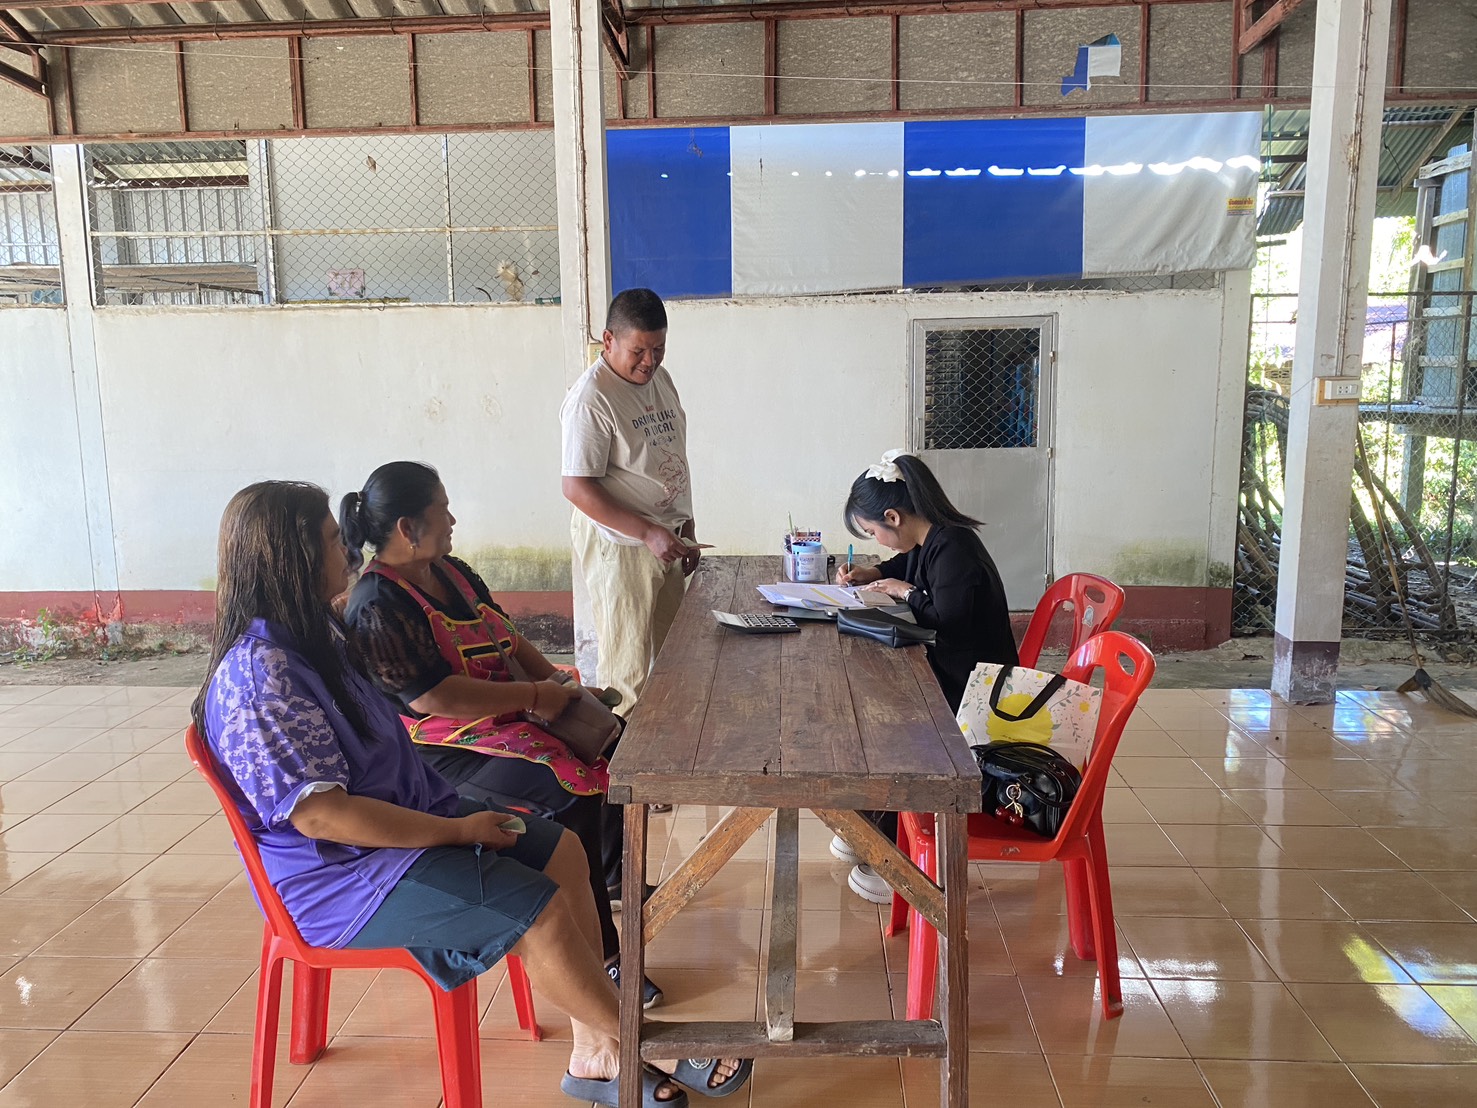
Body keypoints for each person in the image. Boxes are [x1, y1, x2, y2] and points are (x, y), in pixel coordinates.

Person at [192, 480, 751, 1106]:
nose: (344, 550)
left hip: (406, 820)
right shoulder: (261, 676)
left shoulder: (317, 632)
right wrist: (458, 831)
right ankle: (646, 1042)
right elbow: (323, 817)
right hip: (348, 876)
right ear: (291, 560)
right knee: (537, 909)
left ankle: (597, 1053)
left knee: (562, 849)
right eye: (328, 540)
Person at [339, 461, 659, 1008]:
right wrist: (533, 698)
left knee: (614, 743)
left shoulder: (452, 572)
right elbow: (431, 698)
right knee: (565, 789)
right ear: (407, 528)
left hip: (503, 718)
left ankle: (609, 875)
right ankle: (604, 955)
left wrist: (558, 687)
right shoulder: (377, 604)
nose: (453, 520)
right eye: (442, 509)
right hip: (438, 749)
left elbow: (507, 638)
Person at [832, 449, 1018, 903]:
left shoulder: (955, 548)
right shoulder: (930, 539)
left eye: (873, 532)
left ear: (893, 517)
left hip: (975, 690)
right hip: (956, 669)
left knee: (892, 722)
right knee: (874, 701)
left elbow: (946, 619)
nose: (876, 539)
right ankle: (871, 822)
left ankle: (899, 859)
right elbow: (906, 564)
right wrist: (875, 572)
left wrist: (904, 592)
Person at [561, 288, 699, 719]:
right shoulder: (592, 399)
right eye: (638, 351)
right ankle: (617, 755)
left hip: (665, 538)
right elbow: (576, 487)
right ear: (609, 340)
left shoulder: (661, 379)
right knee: (627, 673)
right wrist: (647, 532)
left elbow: (671, 454)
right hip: (621, 547)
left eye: (659, 349)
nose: (649, 362)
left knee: (676, 655)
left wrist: (685, 522)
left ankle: (671, 746)